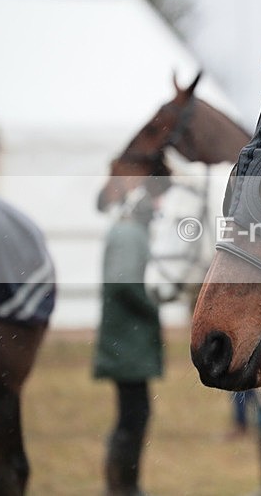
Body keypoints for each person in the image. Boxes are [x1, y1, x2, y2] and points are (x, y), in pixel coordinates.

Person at [93, 185, 164, 496]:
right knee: (134, 416)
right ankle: (123, 485)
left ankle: (120, 483)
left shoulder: (124, 231)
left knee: (132, 415)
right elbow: (124, 284)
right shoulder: (131, 234)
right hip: (127, 342)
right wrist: (152, 308)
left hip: (125, 340)